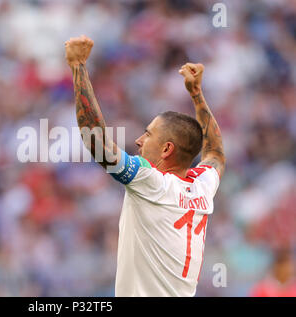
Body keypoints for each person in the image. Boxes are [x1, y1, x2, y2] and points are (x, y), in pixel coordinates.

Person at [65, 35, 225, 296]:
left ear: (166, 149)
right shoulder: (202, 186)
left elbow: (96, 141)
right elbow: (216, 153)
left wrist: (79, 66)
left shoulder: (153, 183)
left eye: (148, 134)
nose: (139, 141)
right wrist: (196, 95)